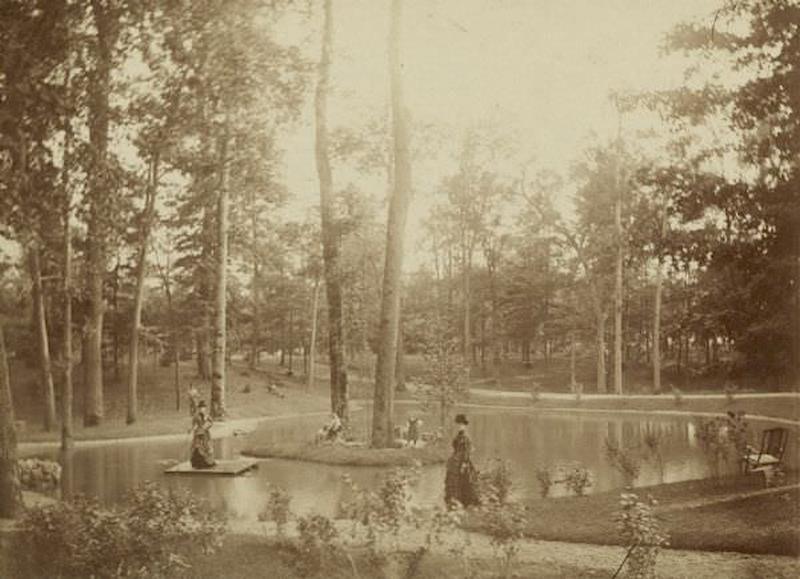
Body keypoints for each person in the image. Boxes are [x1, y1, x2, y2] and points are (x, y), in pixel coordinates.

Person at [444, 413, 479, 508]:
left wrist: (464, 464)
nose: (459, 426)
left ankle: (462, 501)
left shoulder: (465, 436)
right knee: (452, 481)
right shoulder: (459, 435)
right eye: (458, 424)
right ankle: (453, 501)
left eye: (461, 424)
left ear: (465, 425)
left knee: (463, 481)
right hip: (455, 461)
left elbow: (467, 451)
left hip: (462, 462)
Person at [190, 400, 216, 469]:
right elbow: (193, 424)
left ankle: (208, 462)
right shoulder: (196, 415)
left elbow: (211, 422)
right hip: (198, 434)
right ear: (199, 408)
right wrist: (192, 429)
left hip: (205, 434)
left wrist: (207, 425)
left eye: (204, 407)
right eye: (201, 408)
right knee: (198, 447)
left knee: (207, 447)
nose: (202, 409)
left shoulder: (207, 415)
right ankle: (197, 463)